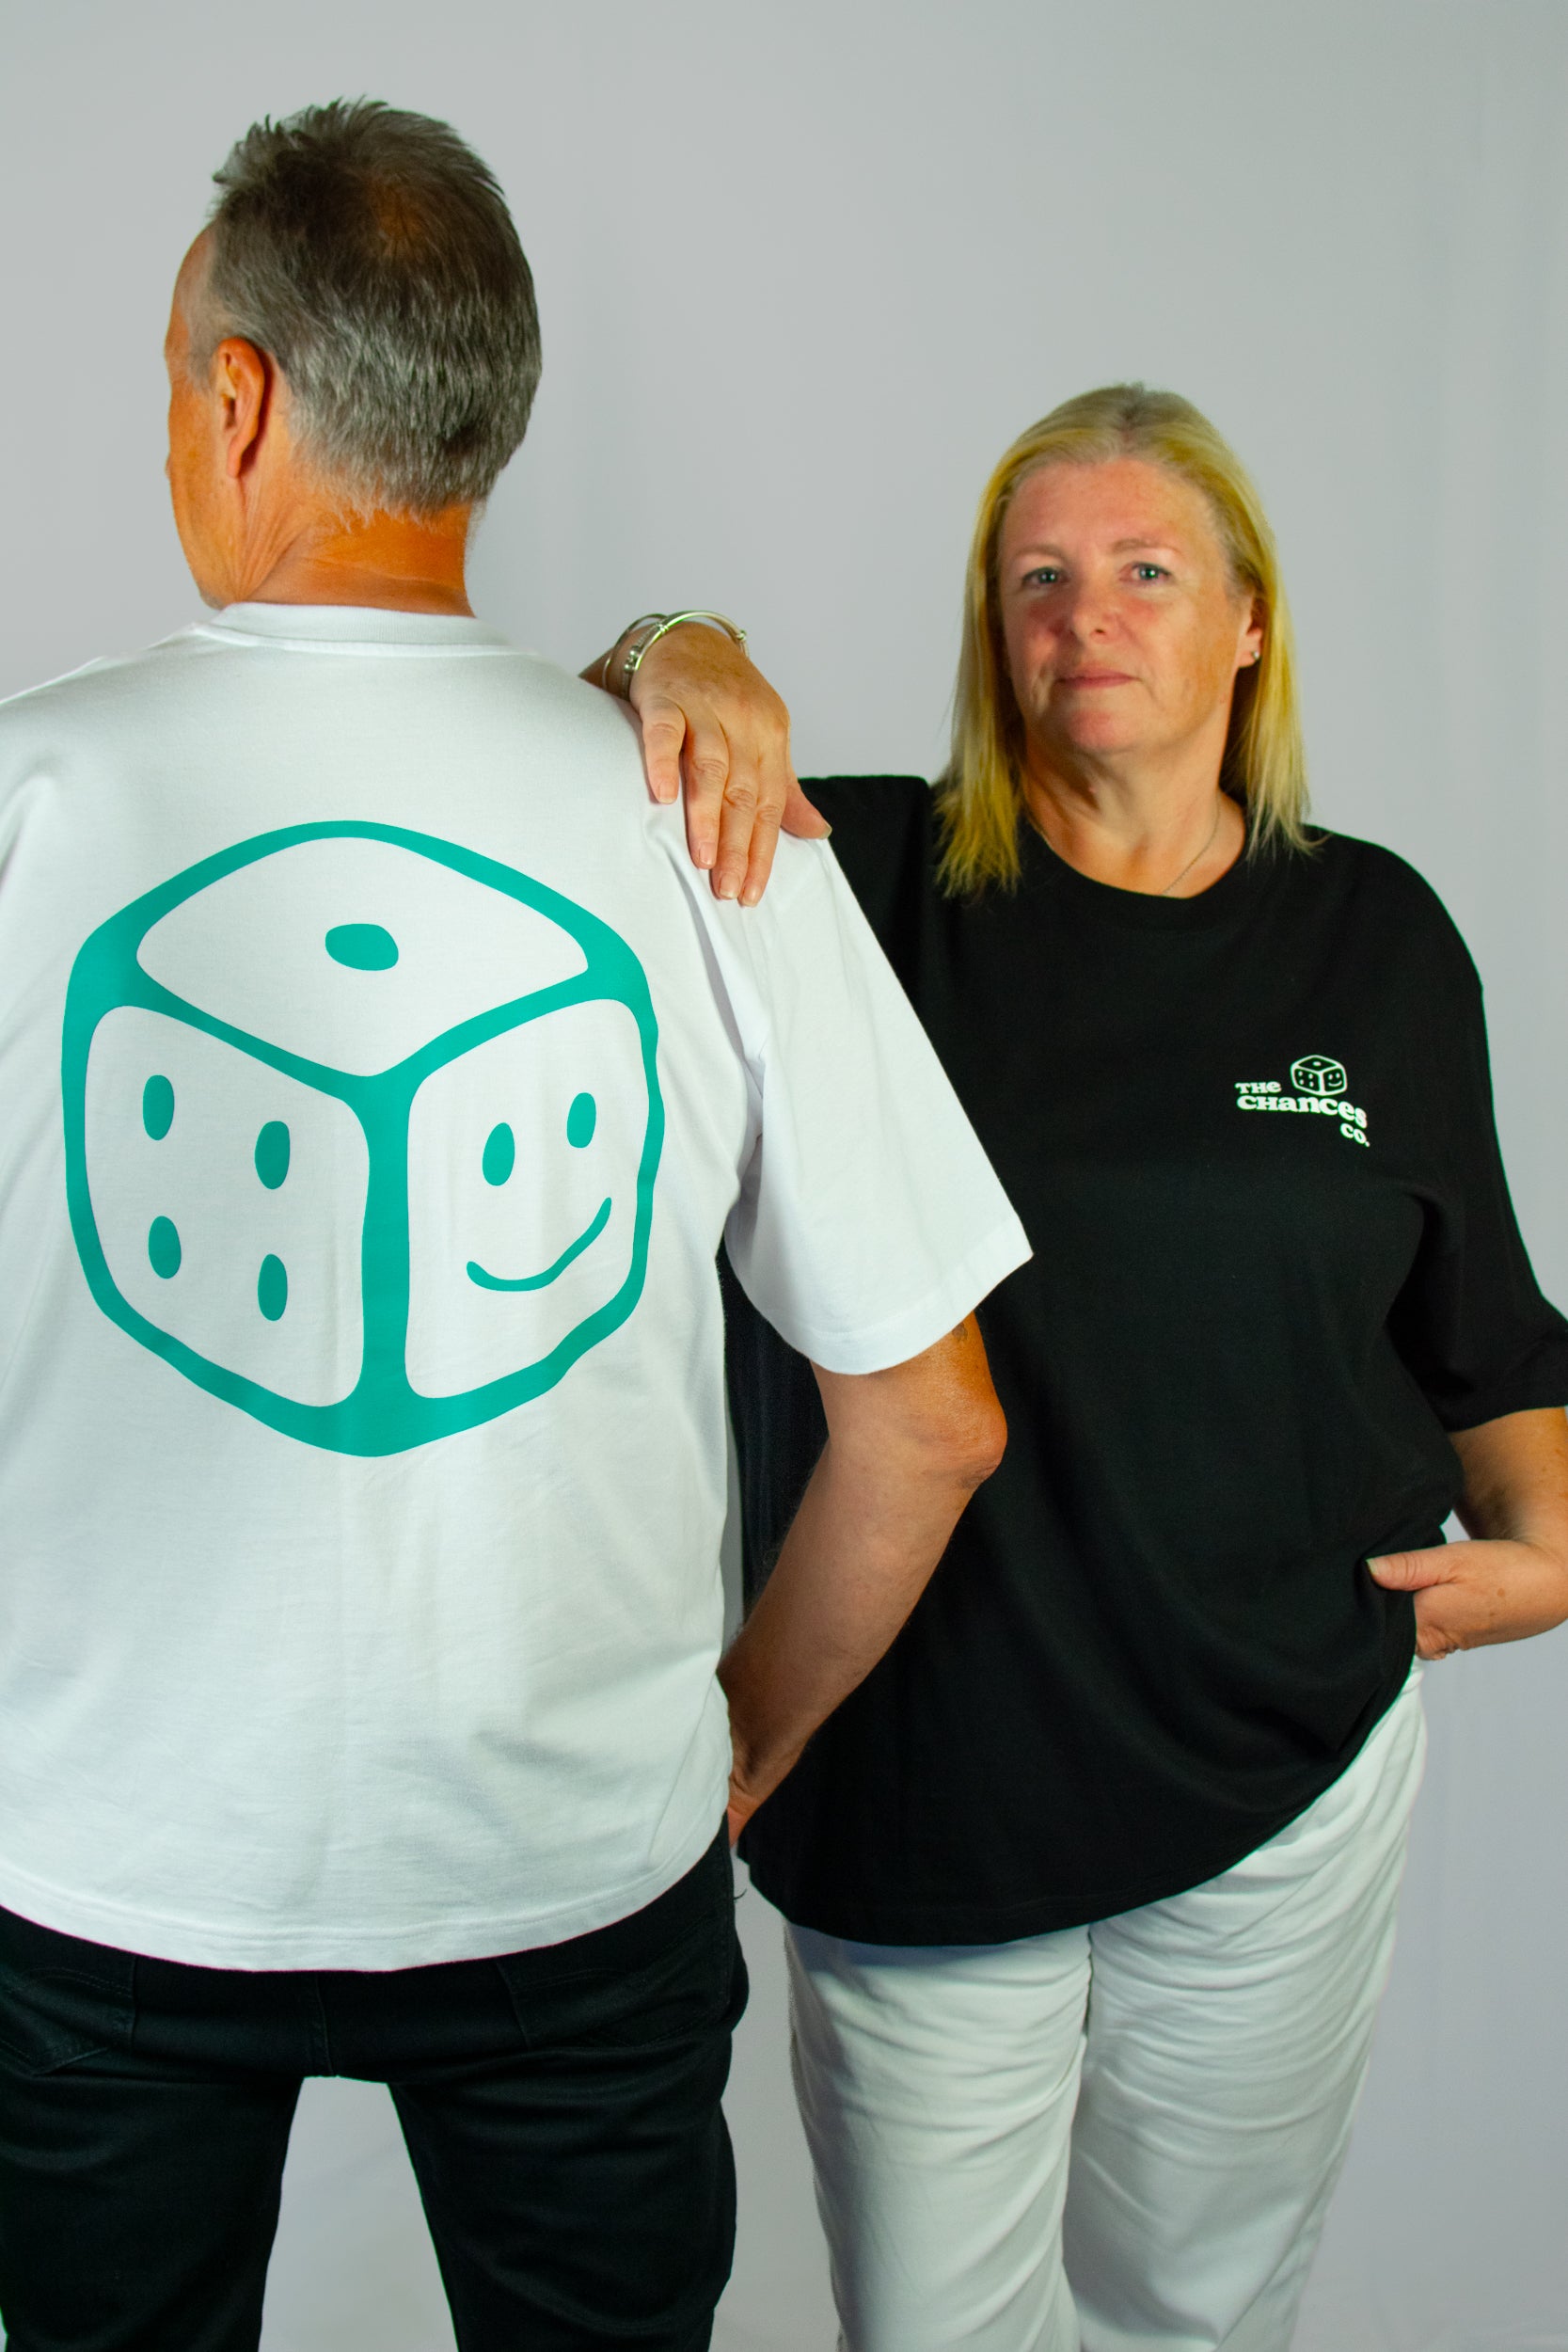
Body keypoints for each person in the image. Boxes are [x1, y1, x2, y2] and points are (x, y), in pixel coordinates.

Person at [0, 102, 1030, 2351]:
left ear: (240, 400)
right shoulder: (704, 810)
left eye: (173, 381)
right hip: (574, 1863)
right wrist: (732, 1738)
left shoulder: (27, 792)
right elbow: (934, 1422)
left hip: (103, 1867)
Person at [592, 385, 1568, 2352]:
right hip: (929, 1766)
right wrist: (677, 648)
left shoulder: (1375, 933)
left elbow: (1479, 1324)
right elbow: (620, 733)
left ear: (1249, 622)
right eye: (1038, 578)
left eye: (1144, 571)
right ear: (994, 624)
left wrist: (1551, 1546)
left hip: (1284, 1757)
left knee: (1199, 2309)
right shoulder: (854, 874)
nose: (1085, 616)